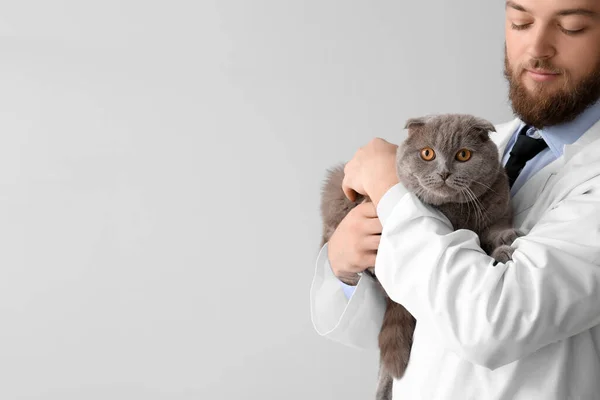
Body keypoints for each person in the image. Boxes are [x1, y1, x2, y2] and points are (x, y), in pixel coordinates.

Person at [310, 0, 600, 398]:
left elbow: (493, 321)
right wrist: (345, 267)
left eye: (571, 28)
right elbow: (415, 305)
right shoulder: (486, 143)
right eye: (521, 22)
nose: (537, 48)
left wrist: (394, 197)